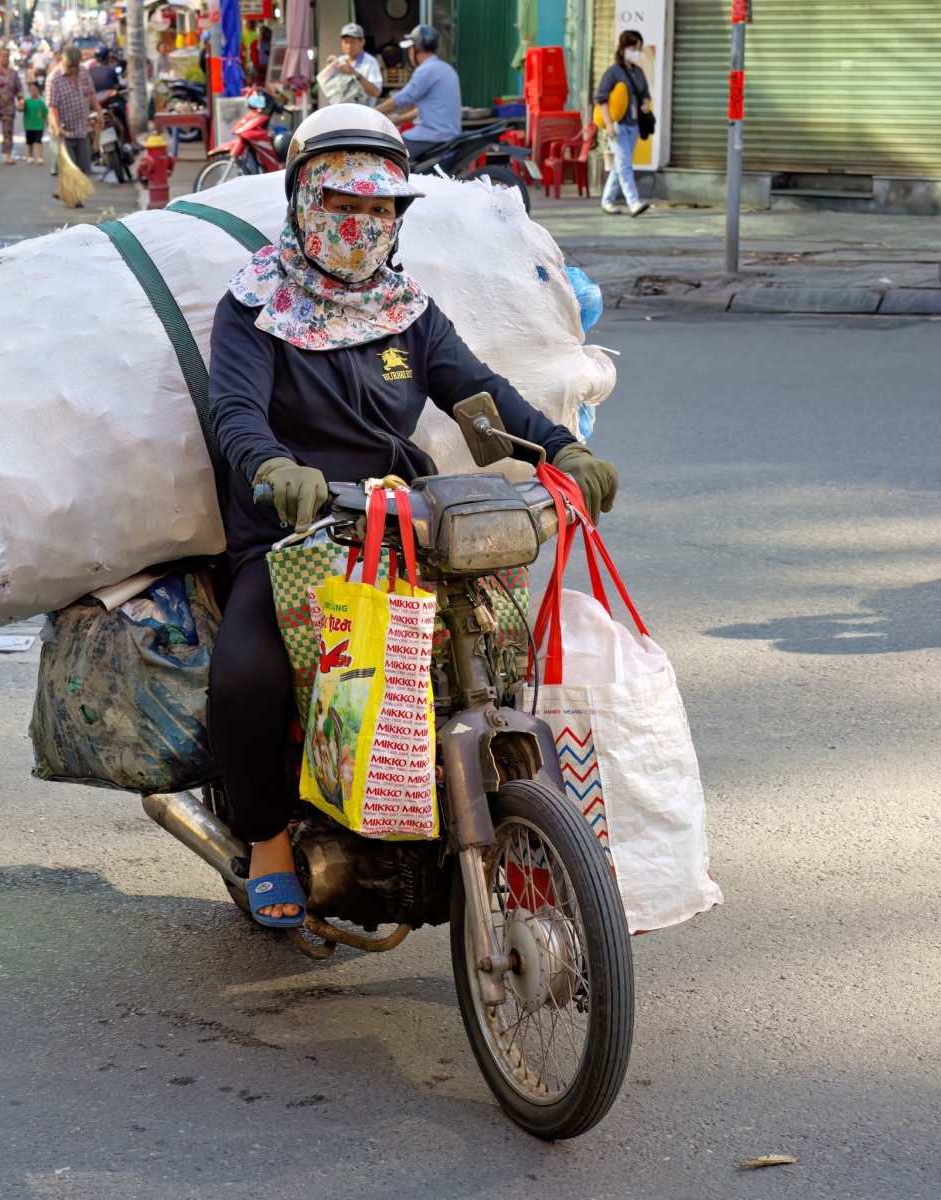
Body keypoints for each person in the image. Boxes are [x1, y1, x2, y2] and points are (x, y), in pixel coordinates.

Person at [205, 105, 619, 925]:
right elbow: (235, 415)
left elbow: (480, 399)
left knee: (496, 657)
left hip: (404, 523)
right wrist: (274, 467)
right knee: (249, 676)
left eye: (379, 209)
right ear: (301, 202)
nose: (362, 225)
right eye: (343, 206)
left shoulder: (407, 311)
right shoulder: (254, 308)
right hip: (296, 531)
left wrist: (557, 448)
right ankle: (267, 841)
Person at [376, 24, 460, 163]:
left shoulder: (426, 70)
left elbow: (402, 99)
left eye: (410, 47)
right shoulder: (446, 69)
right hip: (448, 135)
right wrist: (397, 119)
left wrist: (371, 112)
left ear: (416, 48)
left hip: (431, 136)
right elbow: (424, 109)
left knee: (386, 157)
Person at [595, 30, 652, 217]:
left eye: (638, 48)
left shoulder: (638, 72)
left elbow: (645, 95)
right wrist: (609, 125)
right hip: (617, 126)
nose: (636, 51)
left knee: (621, 164)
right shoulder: (613, 72)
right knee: (625, 164)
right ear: (624, 47)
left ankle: (607, 201)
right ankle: (634, 202)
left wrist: (645, 104)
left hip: (633, 125)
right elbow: (601, 99)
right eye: (633, 47)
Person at [45, 43, 102, 183]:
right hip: (64, 131)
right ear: (62, 61)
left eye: (75, 66)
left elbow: (91, 93)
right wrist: (56, 126)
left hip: (82, 128)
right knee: (68, 168)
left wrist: (99, 112)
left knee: (83, 167)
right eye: (69, 66)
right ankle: (73, 198)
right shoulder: (54, 79)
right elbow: (52, 107)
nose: (73, 69)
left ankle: (64, 192)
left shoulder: (82, 72)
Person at [316, 22, 382, 107]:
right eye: (345, 42)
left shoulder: (370, 62)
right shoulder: (341, 60)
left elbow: (377, 92)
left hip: (363, 113)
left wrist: (355, 74)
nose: (349, 46)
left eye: (353, 42)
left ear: (362, 42)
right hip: (342, 111)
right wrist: (330, 68)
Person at [22, 79, 47, 164]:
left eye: (35, 90)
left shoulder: (41, 102)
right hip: (29, 125)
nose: (33, 92)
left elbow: (45, 114)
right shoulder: (26, 102)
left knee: (38, 141)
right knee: (30, 142)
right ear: (28, 91)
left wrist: (48, 123)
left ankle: (40, 157)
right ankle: (30, 156)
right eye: (31, 90)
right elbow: (21, 109)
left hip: (39, 125)